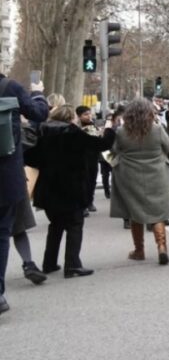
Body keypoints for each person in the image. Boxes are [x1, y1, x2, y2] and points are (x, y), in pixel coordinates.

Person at [30, 105, 115, 278]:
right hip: (71, 186)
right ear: (70, 118)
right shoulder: (73, 133)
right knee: (75, 224)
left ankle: (49, 262)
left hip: (48, 187)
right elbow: (102, 144)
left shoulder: (42, 133)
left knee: (56, 225)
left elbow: (30, 157)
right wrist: (109, 128)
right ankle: (73, 264)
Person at [0, 73, 48, 314]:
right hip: (6, 175)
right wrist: (37, 92)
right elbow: (39, 114)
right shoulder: (10, 87)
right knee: (3, 232)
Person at [110, 99, 169, 265]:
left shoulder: (122, 131)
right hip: (157, 173)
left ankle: (139, 250)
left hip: (130, 175)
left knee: (135, 212)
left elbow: (114, 150)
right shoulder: (157, 129)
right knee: (158, 212)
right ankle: (161, 247)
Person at [75, 105, 100, 215]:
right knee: (83, 182)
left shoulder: (93, 125)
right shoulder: (76, 127)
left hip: (93, 157)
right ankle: (83, 205)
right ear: (79, 116)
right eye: (85, 114)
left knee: (92, 180)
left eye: (90, 114)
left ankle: (90, 201)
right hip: (81, 158)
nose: (89, 116)